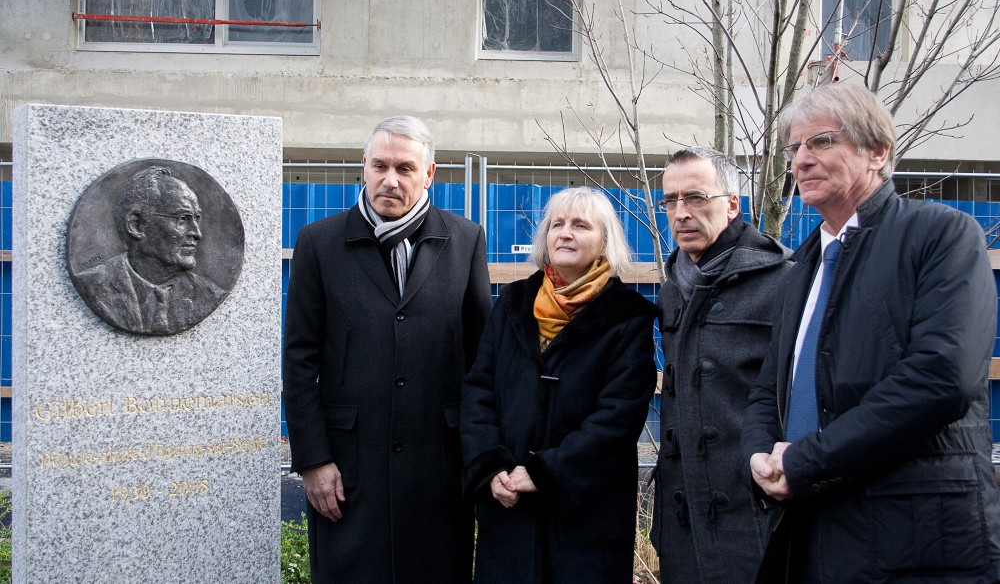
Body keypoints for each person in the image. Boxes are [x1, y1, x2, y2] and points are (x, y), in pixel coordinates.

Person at [742, 84, 1000, 583]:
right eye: (794, 148)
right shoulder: (801, 267)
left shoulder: (940, 235)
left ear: (877, 151)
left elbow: (942, 377)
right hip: (811, 531)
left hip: (918, 539)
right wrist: (759, 455)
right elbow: (767, 387)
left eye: (821, 142)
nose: (801, 161)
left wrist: (808, 462)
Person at [282, 116, 492, 583]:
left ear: (430, 173)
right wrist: (313, 460)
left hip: (439, 467)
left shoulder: (465, 240)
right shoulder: (319, 243)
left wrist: (479, 456)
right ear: (363, 166)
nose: (390, 180)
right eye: (379, 166)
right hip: (349, 469)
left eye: (404, 168)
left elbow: (483, 361)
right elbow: (299, 360)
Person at [461, 187, 658, 584]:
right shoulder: (512, 303)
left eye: (580, 225)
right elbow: (479, 390)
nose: (564, 233)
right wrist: (492, 466)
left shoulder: (628, 317)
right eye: (557, 224)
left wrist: (548, 473)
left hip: (586, 515)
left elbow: (619, 416)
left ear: (605, 241)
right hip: (509, 505)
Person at [652, 147, 792, 583]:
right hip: (682, 518)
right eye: (670, 201)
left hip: (754, 511)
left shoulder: (782, 279)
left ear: (733, 204)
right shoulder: (674, 284)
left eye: (695, 198)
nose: (680, 213)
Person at [73, 165, 226, 335]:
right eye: (182, 219)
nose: (197, 233)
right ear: (136, 225)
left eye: (196, 218)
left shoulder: (208, 294)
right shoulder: (95, 286)